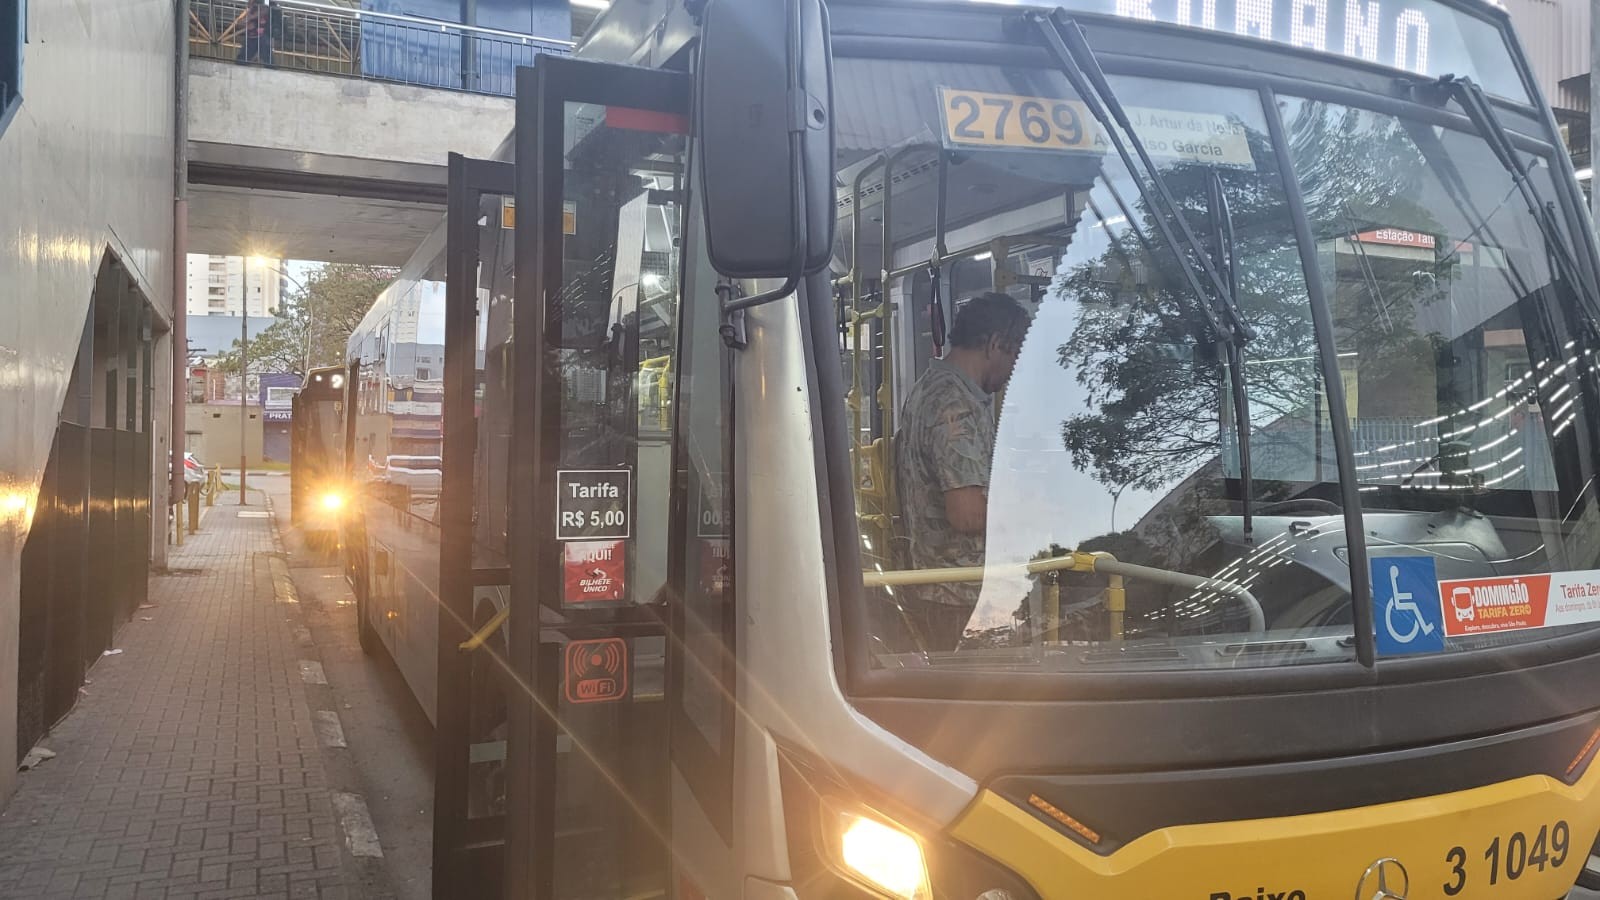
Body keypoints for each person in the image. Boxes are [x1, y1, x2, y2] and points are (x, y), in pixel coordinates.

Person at [894, 291, 1031, 651]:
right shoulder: (956, 406)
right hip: (964, 595)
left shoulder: (930, 388)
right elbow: (967, 514)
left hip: (941, 589)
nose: (1015, 368)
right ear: (995, 344)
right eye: (1015, 355)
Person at [238, 0, 273, 66]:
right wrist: (245, 23)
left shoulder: (263, 5)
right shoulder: (249, 10)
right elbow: (240, 22)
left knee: (267, 58)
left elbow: (265, 10)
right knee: (242, 59)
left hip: (262, 37)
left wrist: (250, 18)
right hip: (251, 38)